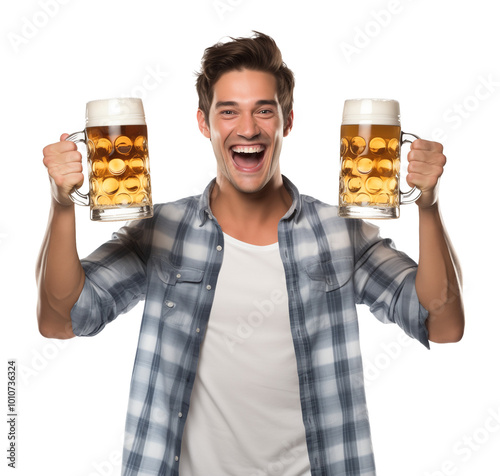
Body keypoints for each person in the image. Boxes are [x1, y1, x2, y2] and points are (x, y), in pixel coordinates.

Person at [37, 31, 464, 476]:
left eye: (264, 110)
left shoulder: (340, 232)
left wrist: (428, 205)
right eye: (229, 112)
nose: (247, 128)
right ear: (204, 124)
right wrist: (62, 204)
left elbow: (444, 322)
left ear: (288, 120)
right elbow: (60, 319)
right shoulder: (162, 231)